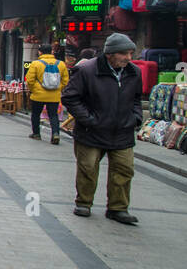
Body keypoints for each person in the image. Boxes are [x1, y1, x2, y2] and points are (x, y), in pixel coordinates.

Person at [60, 33, 143, 225]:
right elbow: (70, 97)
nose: (128, 58)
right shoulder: (87, 70)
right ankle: (84, 203)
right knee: (88, 168)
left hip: (122, 130)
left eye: (130, 53)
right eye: (123, 54)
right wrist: (88, 119)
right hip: (92, 131)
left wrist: (136, 118)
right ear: (110, 54)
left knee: (124, 170)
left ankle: (118, 208)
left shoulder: (134, 72)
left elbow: (137, 99)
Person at [25, 46, 70, 144]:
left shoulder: (35, 64)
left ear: (40, 52)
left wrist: (34, 90)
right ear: (52, 52)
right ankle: (55, 133)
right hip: (54, 95)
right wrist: (58, 89)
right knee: (53, 115)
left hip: (38, 95)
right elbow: (65, 80)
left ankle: (36, 134)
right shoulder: (61, 64)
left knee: (36, 114)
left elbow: (29, 80)